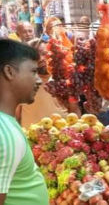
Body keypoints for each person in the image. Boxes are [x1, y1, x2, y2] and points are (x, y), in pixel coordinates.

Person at [0, 39, 49, 205]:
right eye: (33, 71)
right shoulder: (5, 135)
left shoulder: (7, 122)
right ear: (9, 72)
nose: (39, 80)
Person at [16, 39, 81, 128]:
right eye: (36, 56)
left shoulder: (64, 79)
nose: (42, 59)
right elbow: (15, 115)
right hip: (30, 138)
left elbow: (74, 109)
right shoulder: (21, 82)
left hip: (62, 136)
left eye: (44, 53)